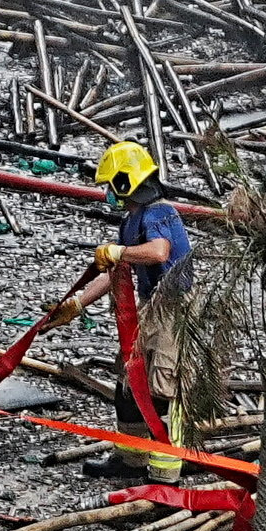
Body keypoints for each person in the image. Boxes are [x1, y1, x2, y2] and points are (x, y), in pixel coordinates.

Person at [91, 140, 195, 476]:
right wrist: (77, 304)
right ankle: (130, 458)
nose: (108, 192)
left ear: (125, 182)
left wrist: (119, 253)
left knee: (163, 385)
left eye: (111, 184)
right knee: (129, 378)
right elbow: (118, 270)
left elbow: (159, 252)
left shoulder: (161, 213)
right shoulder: (131, 221)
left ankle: (167, 470)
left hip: (173, 310)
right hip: (149, 306)